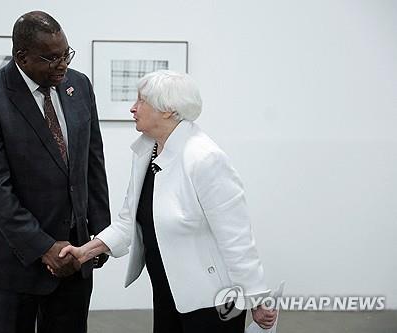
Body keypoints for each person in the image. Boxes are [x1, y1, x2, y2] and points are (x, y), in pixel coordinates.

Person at [58, 70, 277, 332]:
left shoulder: (204, 158)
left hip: (213, 300)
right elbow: (128, 222)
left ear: (168, 111)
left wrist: (256, 295)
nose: (133, 108)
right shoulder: (146, 150)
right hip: (168, 291)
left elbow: (236, 236)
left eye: (141, 101)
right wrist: (84, 252)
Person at [0, 11, 110, 333]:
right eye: (51, 58)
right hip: (13, 261)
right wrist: (44, 247)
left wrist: (101, 235)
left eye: (66, 54)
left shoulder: (79, 86)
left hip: (74, 254)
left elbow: (92, 163)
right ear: (22, 57)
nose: (62, 65)